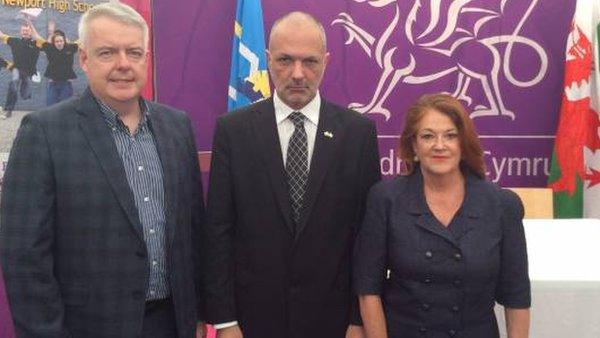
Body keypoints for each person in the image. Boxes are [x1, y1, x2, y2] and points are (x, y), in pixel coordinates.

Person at [0, 3, 206, 338]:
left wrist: (197, 313)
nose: (123, 64)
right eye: (108, 52)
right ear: (84, 59)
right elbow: (24, 258)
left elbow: (193, 230)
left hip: (172, 323)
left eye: (134, 52)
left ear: (146, 57)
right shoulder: (44, 133)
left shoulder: (177, 126)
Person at [205, 11, 381, 338]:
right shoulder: (233, 131)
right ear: (268, 60)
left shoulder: (358, 134)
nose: (297, 74)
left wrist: (358, 319)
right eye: (285, 60)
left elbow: (367, 237)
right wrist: (225, 321)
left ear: (326, 61)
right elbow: (218, 231)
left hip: (334, 322)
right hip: (253, 321)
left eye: (310, 61)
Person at [354, 93, 531, 338]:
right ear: (414, 145)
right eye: (428, 136)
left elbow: (517, 296)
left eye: (450, 135)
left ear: (464, 143)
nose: (439, 145)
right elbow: (368, 289)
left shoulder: (502, 205)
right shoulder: (385, 199)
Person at [30, 20, 78, 106]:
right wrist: (28, 21)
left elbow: (83, 39)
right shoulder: (49, 48)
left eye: (61, 41)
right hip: (53, 84)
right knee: (51, 107)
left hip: (66, 84)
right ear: (54, 43)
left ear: (64, 41)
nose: (59, 43)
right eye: (57, 41)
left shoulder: (71, 48)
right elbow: (35, 36)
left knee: (65, 108)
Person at [0, 23, 40, 119]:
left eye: (27, 30)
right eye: (23, 30)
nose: (25, 32)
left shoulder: (36, 44)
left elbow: (45, 43)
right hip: (17, 69)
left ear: (30, 32)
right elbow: (1, 35)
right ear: (21, 32)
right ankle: (9, 110)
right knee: (13, 83)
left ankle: (26, 92)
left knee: (25, 95)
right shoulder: (15, 41)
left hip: (29, 72)